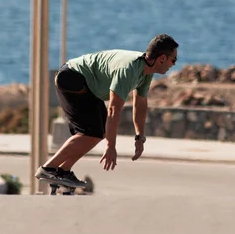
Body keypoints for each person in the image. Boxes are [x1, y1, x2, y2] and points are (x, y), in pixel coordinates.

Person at [35, 34, 179, 187]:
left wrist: (139, 136)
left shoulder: (145, 71)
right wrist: (110, 147)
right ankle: (48, 168)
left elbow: (140, 104)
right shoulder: (128, 70)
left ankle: (63, 171)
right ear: (162, 58)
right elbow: (113, 109)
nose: (174, 64)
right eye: (173, 60)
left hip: (86, 85)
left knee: (100, 132)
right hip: (72, 78)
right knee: (91, 132)